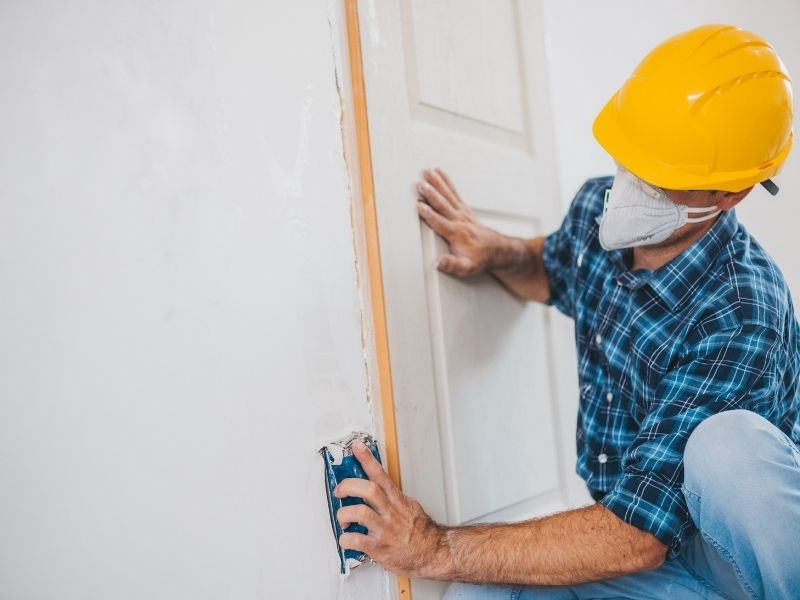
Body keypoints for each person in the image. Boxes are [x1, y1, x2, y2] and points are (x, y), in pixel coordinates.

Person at [332, 24, 800, 599]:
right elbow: (555, 270)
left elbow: (637, 531)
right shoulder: (596, 212)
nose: (635, 185)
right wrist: (498, 251)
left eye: (665, 175)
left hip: (737, 563)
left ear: (731, 193)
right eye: (635, 156)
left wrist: (437, 546)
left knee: (728, 448)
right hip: (659, 561)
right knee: (476, 593)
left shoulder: (743, 311)